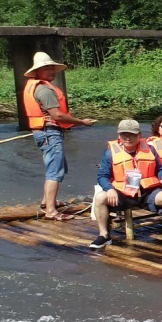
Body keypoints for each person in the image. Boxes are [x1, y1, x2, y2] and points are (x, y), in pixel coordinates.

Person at [88, 120, 162, 250]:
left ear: (139, 135)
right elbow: (102, 176)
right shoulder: (109, 153)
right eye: (124, 135)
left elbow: (160, 169)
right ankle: (104, 235)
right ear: (119, 136)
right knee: (101, 197)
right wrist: (109, 189)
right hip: (123, 193)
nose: (128, 138)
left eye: (132, 135)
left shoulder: (150, 149)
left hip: (147, 192)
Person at [20, 51, 96, 220]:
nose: (51, 71)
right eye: (46, 68)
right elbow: (58, 116)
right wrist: (82, 122)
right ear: (37, 71)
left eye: (52, 67)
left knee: (56, 166)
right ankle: (51, 211)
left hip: (45, 132)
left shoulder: (38, 86)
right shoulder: (44, 90)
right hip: (49, 132)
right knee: (54, 171)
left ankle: (46, 201)